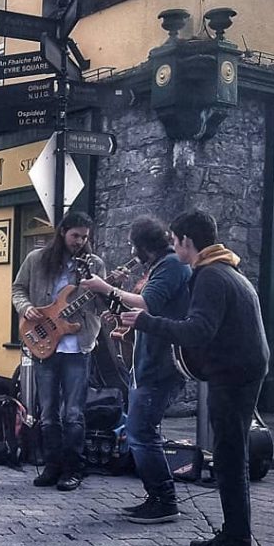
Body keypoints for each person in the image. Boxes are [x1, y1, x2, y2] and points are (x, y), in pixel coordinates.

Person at [120, 209, 270, 546]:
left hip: (232, 374)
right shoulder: (225, 270)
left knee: (230, 459)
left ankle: (236, 544)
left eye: (175, 241)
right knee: (231, 457)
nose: (174, 247)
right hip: (241, 369)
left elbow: (198, 330)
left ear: (187, 241)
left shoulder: (212, 276)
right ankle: (233, 534)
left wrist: (146, 322)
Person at [82, 216, 191, 523]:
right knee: (140, 431)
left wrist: (105, 287)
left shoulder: (171, 266)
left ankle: (164, 500)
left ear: (144, 246)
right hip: (148, 362)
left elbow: (146, 303)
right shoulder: (161, 267)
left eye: (134, 245)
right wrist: (115, 307)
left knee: (141, 432)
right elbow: (144, 310)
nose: (132, 251)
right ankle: (156, 496)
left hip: (160, 365)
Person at [12, 210, 105, 491]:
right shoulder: (37, 259)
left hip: (78, 347)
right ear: (63, 232)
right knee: (49, 412)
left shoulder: (94, 264)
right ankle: (52, 466)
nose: (80, 241)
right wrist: (26, 308)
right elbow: (18, 289)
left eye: (85, 237)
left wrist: (104, 289)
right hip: (44, 345)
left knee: (73, 413)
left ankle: (73, 469)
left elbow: (100, 307)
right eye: (75, 235)